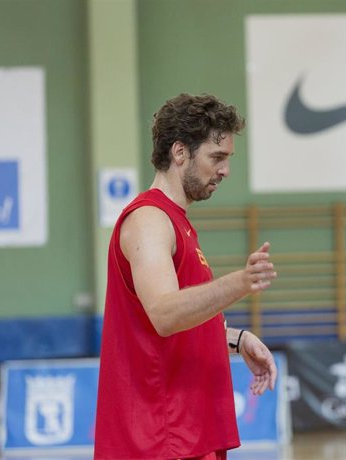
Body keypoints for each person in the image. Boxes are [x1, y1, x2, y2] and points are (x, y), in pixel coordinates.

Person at [95, 93, 278, 460]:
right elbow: (164, 314)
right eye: (217, 157)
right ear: (180, 152)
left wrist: (234, 338)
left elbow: (164, 323)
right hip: (160, 440)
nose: (225, 170)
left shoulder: (176, 222)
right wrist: (241, 282)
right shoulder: (149, 221)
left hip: (185, 435)